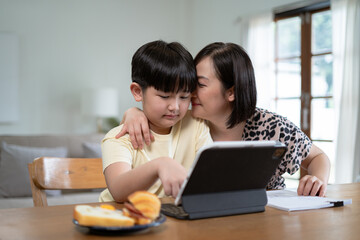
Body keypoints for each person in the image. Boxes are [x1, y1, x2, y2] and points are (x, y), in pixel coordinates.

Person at [117, 42, 331, 197]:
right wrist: (134, 112)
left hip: (266, 218)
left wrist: (318, 179)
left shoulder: (271, 126)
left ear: (231, 92)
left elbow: (317, 157)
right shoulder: (188, 122)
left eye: (198, 85)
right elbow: (156, 111)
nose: (187, 93)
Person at [99, 40, 212, 202]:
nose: (175, 107)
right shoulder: (119, 137)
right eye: (165, 96)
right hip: (124, 219)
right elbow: (117, 190)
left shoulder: (196, 124)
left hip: (174, 219)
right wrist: (160, 165)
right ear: (138, 92)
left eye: (184, 97)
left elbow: (209, 175)